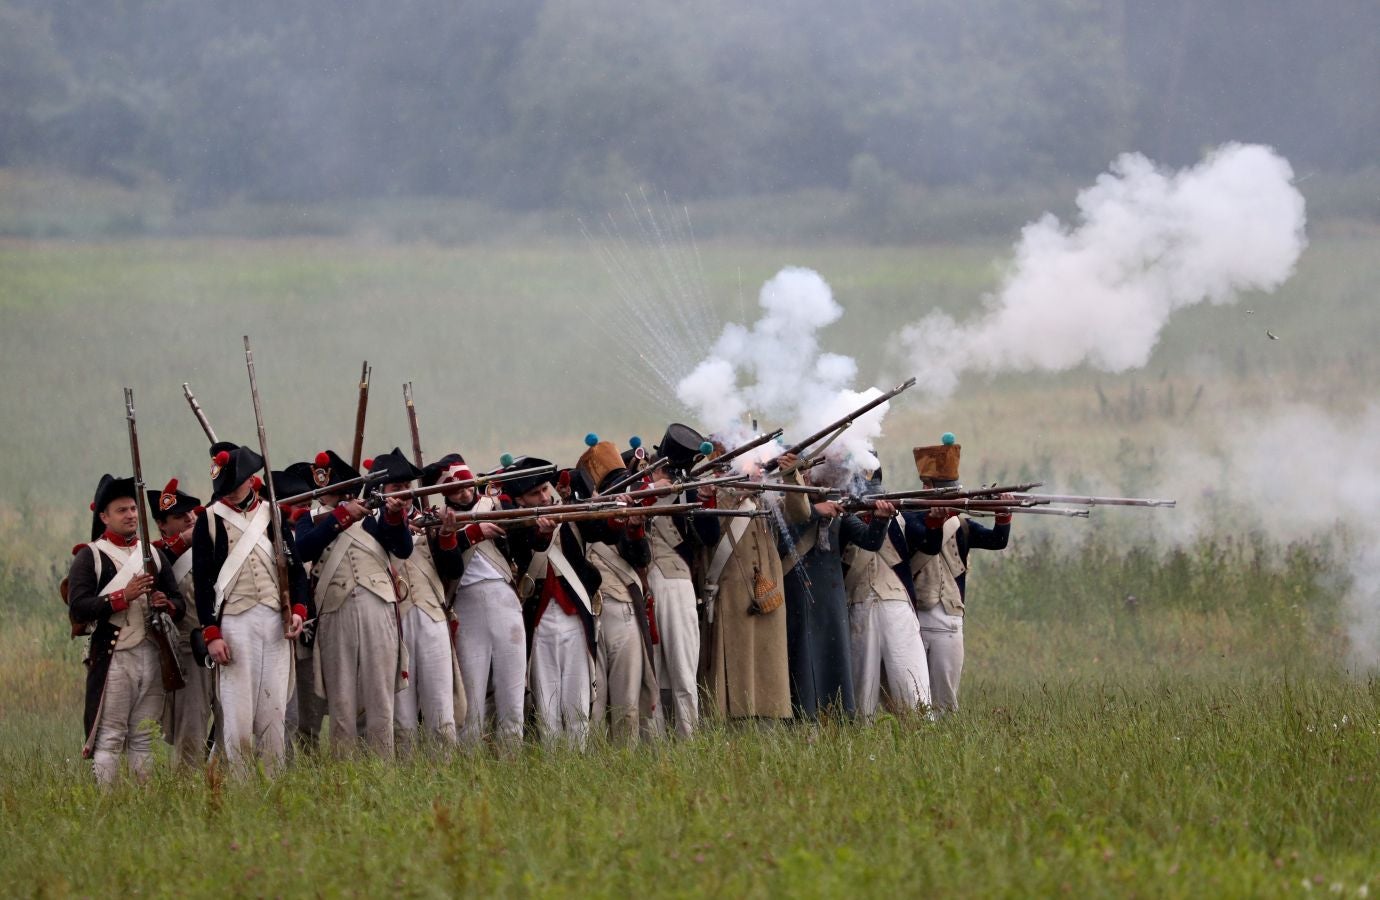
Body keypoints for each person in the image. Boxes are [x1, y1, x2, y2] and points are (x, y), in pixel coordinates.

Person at [193, 445, 310, 774]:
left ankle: (273, 781)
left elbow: (295, 569)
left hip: (274, 620)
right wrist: (212, 633)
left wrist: (298, 611)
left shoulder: (271, 515)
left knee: (273, 712)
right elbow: (203, 583)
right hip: (234, 622)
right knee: (238, 714)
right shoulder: (209, 521)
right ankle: (242, 788)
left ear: (250, 480)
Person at [67, 474, 185, 785]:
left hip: (151, 652)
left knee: (144, 736)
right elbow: (78, 607)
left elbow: (178, 601)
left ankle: (143, 803)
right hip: (115, 656)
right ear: (104, 516)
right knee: (110, 736)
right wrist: (123, 596)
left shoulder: (153, 554)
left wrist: (165, 603)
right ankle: (108, 804)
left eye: (133, 509)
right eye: (122, 510)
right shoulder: (90, 556)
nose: (131, 515)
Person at [293, 449, 413, 757]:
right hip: (334, 610)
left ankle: (383, 771)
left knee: (379, 698)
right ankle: (343, 773)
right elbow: (303, 550)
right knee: (342, 701)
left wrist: (394, 515)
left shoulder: (376, 515)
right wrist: (341, 516)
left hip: (379, 605)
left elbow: (402, 546)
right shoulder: (308, 519)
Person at [779, 455, 893, 719]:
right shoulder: (787, 507)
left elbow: (870, 541)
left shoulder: (838, 511)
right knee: (802, 659)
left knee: (835, 657)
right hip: (798, 593)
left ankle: (839, 716)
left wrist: (880, 518)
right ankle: (802, 717)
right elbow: (781, 539)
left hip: (831, 596)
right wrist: (814, 513)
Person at [426, 454, 525, 750]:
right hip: (466, 606)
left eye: (467, 486)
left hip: (505, 600)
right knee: (471, 702)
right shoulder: (437, 521)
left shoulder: (495, 504)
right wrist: (468, 533)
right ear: (445, 493)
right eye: (456, 489)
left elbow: (523, 539)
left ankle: (512, 759)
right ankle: (470, 767)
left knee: (513, 697)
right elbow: (449, 568)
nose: (465, 493)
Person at [371, 448, 467, 751]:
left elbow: (452, 569)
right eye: (396, 489)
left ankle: (445, 770)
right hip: (392, 623)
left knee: (440, 706)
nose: (404, 494)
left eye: (407, 489)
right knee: (402, 716)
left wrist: (448, 536)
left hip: (431, 617)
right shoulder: (370, 527)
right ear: (380, 493)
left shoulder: (430, 520)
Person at [505, 456, 602, 749]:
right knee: (546, 707)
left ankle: (579, 761)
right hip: (540, 619)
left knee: (577, 703)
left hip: (574, 617)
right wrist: (543, 533)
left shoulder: (569, 514)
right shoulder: (515, 524)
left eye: (546, 489)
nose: (545, 497)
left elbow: (604, 532)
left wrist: (622, 515)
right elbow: (523, 553)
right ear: (521, 500)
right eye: (535, 494)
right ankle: (552, 765)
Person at [910, 435, 1012, 713]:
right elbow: (924, 543)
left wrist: (1003, 513)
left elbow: (997, 541)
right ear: (927, 488)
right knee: (914, 698)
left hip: (951, 618)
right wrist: (936, 518)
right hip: (917, 616)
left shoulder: (963, 526)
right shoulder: (909, 518)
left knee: (945, 699)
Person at [699, 445, 791, 724]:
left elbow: (799, 513)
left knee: (769, 670)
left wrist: (791, 472)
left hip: (768, 591)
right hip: (733, 592)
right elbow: (712, 530)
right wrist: (742, 489)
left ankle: (770, 717)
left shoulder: (765, 494)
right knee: (735, 677)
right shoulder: (716, 493)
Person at [574, 437, 656, 744]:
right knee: (594, 702)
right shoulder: (580, 514)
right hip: (589, 614)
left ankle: (628, 758)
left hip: (622, 609)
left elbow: (640, 557)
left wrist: (633, 526)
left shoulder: (630, 514)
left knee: (627, 703)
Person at [643, 424, 719, 738]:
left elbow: (709, 535)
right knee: (654, 672)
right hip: (645, 586)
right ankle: (654, 739)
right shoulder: (639, 486)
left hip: (676, 582)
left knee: (683, 667)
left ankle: (688, 736)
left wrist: (704, 500)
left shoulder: (690, 490)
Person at [841, 469, 930, 717]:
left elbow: (929, 542)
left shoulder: (902, 519)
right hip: (857, 604)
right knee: (862, 692)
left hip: (897, 604)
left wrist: (936, 519)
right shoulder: (841, 519)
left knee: (912, 684)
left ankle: (921, 730)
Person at [146, 477, 212, 768]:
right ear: (162, 524)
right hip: (187, 648)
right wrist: (180, 543)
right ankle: (186, 788)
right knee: (192, 727)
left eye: (190, 514)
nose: (189, 518)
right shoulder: (156, 556)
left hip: (221, 643)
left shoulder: (210, 543)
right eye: (179, 516)